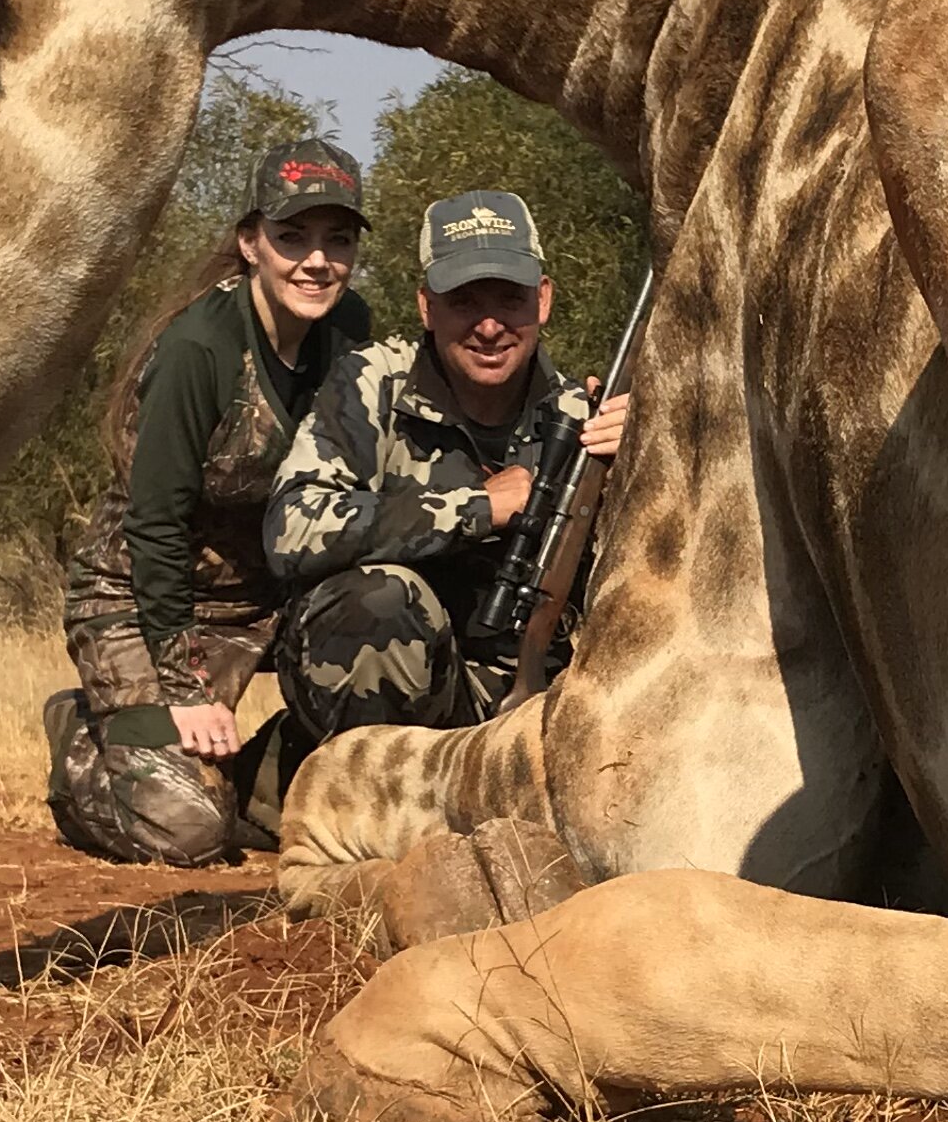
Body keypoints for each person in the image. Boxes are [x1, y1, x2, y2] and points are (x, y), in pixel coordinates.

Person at [44, 136, 373, 864]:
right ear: (250, 243)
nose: (316, 261)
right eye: (293, 237)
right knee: (188, 830)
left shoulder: (351, 332)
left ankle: (246, 775)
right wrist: (185, 687)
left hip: (268, 599)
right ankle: (90, 738)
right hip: (146, 601)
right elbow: (155, 526)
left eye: (337, 240)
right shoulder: (200, 349)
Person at [262, 187, 633, 744]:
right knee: (378, 600)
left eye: (509, 299)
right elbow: (292, 528)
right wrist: (478, 508)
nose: (488, 327)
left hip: (526, 709)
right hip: (379, 693)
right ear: (426, 307)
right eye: (464, 301)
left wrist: (648, 457)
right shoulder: (373, 382)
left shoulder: (590, 423)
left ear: (544, 301)